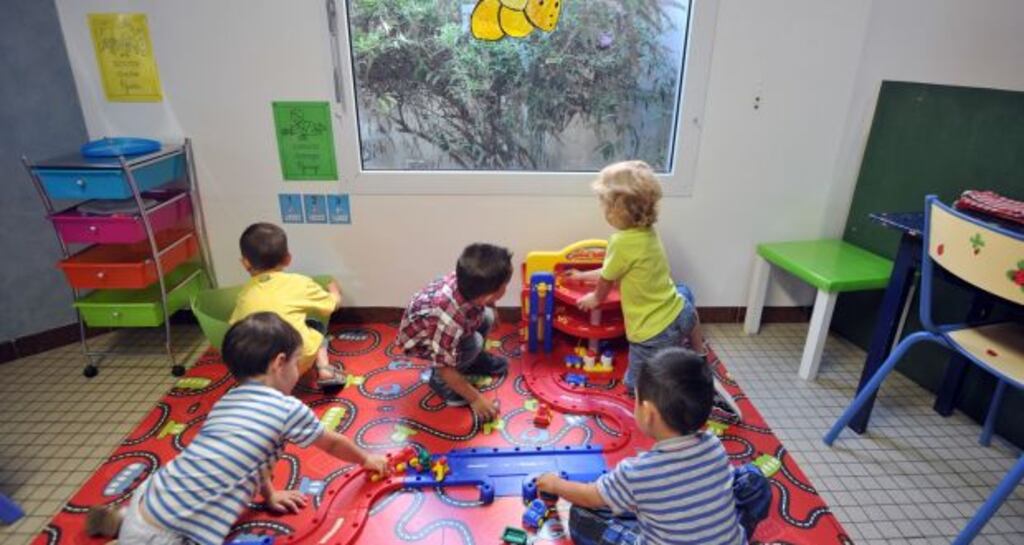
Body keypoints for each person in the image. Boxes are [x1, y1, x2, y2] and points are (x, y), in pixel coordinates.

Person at [87, 313, 387, 544]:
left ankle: (125, 521)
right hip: (166, 533)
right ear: (279, 363)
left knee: (144, 521)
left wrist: (269, 495)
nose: (299, 370)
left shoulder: (229, 398)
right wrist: (366, 459)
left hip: (156, 492)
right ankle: (127, 533)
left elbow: (253, 458)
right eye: (298, 362)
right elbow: (331, 443)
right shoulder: (286, 408)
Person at [570, 160, 741, 417]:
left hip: (651, 333)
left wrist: (595, 297)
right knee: (684, 293)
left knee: (636, 385)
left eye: (605, 204)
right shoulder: (648, 232)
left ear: (620, 209)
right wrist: (583, 275)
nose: (603, 210)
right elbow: (613, 269)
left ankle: (697, 394)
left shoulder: (620, 242)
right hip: (680, 312)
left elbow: (607, 278)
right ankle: (699, 354)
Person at [536, 348, 747, 545]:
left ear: (647, 412)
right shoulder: (715, 446)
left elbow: (590, 497)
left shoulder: (637, 472)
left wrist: (555, 485)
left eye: (635, 398)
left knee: (581, 516)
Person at [395, 243, 512, 421]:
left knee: (486, 317)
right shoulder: (448, 317)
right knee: (474, 343)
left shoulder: (471, 283)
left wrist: (493, 308)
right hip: (426, 339)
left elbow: (485, 299)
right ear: (490, 294)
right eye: (505, 285)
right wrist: (476, 399)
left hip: (448, 326)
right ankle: (440, 384)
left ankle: (473, 361)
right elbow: (444, 366)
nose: (507, 287)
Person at [230, 222, 346, 390]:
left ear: (245, 263)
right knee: (316, 326)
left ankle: (265, 385)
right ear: (287, 258)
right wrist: (334, 290)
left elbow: (235, 326)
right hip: (297, 359)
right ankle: (324, 368)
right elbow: (331, 305)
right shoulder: (300, 283)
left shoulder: (244, 294)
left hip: (259, 367)